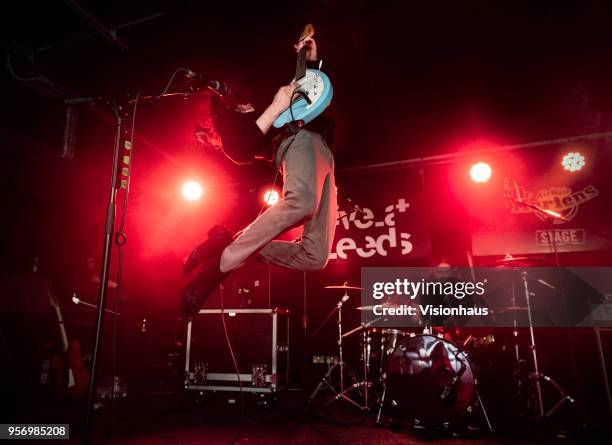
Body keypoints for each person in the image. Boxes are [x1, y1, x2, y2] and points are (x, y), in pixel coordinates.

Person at [181, 36, 337, 319]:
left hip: (323, 150)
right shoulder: (228, 120)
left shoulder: (262, 88)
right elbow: (241, 151)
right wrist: (275, 108)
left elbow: (308, 95)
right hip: (298, 143)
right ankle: (218, 267)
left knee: (316, 257)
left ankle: (227, 246)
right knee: (301, 203)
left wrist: (311, 61)